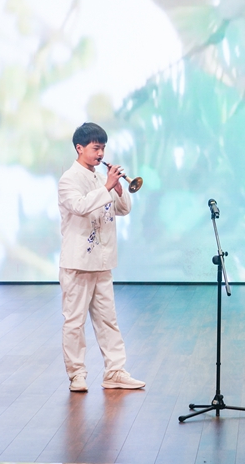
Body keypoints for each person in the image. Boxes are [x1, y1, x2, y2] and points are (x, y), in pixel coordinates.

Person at [58, 122, 145, 392]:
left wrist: (118, 189)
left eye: (103, 148)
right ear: (79, 148)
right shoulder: (68, 179)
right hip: (77, 264)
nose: (101, 154)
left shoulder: (99, 178)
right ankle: (77, 374)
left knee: (108, 320)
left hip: (102, 262)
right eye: (96, 148)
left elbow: (123, 209)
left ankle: (115, 372)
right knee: (75, 322)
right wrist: (107, 186)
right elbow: (80, 206)